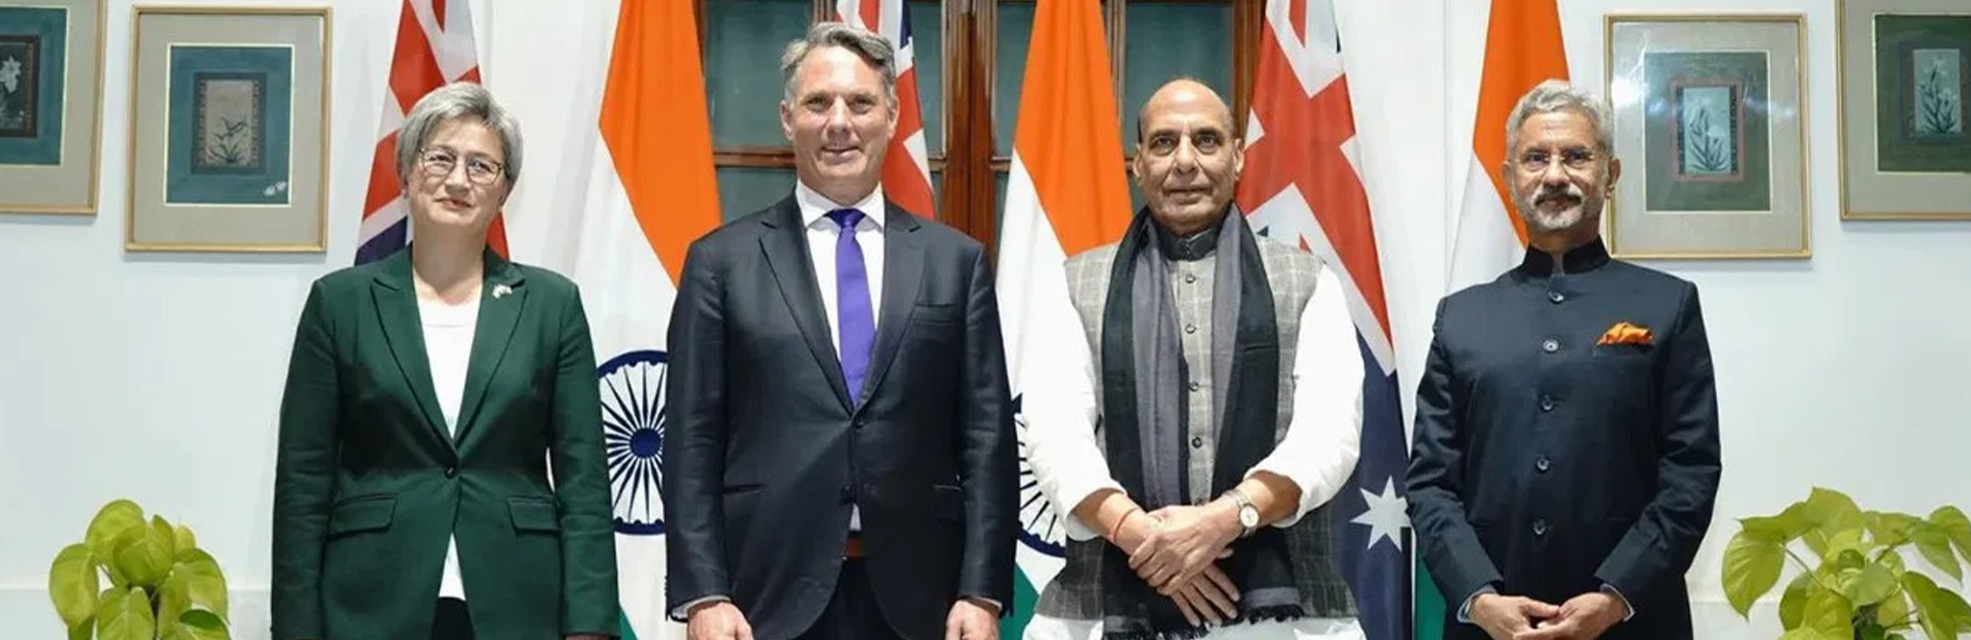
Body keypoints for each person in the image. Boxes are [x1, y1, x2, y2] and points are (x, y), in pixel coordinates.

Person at [661, 22, 1017, 640]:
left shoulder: (956, 263)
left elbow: (986, 440)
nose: (839, 122)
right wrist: (704, 594)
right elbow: (693, 440)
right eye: (818, 103)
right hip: (762, 595)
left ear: (891, 114)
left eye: (860, 103)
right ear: (786, 117)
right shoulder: (720, 263)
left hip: (923, 599)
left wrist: (982, 592)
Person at [1021, 78, 1367, 640]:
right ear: (1138, 163)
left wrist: (1224, 520)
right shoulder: (1076, 282)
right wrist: (1144, 539)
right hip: (1104, 603)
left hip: (1282, 609)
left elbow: (1330, 435)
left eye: (1205, 141)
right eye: (1163, 143)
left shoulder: (1307, 282)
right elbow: (1054, 435)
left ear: (1237, 158)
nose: (1184, 161)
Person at [271, 82, 618, 640]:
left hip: (518, 602)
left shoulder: (553, 306)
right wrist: (295, 627)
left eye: (482, 166)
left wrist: (590, 625)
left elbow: (584, 483)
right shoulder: (339, 304)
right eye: (440, 158)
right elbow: (303, 485)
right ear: (407, 174)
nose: (458, 180)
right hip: (370, 603)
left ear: (504, 191)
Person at [1404, 79, 1722, 640]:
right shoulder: (1461, 317)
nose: (1555, 175)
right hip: (1492, 624)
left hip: (1634, 619)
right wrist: (1477, 596)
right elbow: (1430, 484)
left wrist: (1616, 594)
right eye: (1536, 158)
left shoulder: (1667, 304)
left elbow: (1690, 472)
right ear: (1510, 178)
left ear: (1610, 174)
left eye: (1576, 156)